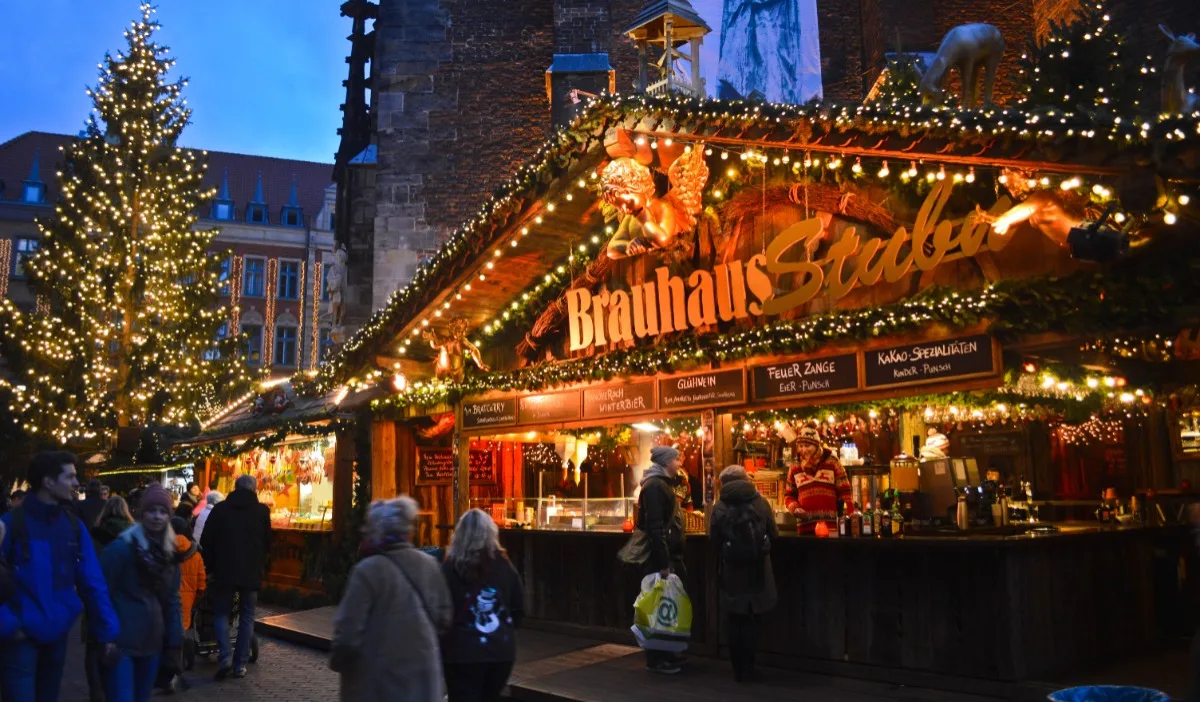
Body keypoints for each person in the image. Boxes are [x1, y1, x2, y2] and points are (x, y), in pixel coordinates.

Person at [0, 451, 120, 702]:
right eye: (69, 476)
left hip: (55, 634)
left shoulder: (73, 527)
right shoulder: (10, 525)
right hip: (20, 637)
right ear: (48, 481)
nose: (76, 483)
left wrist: (108, 632)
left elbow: (92, 582)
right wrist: (10, 624)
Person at [330, 497, 451, 702]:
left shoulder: (367, 572)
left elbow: (348, 632)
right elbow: (444, 618)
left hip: (378, 684)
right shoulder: (430, 565)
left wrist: (339, 662)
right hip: (422, 682)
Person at [99, 484, 182, 702]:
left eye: (162, 511)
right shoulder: (121, 549)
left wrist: (174, 642)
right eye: (151, 510)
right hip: (121, 642)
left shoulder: (168, 554)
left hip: (152, 643)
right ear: (142, 513)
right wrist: (105, 636)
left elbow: (172, 600)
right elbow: (100, 594)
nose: (157, 516)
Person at [441, 509, 524, 702]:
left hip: (460, 654)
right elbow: (518, 608)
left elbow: (440, 610)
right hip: (500, 653)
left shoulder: (449, 568)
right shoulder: (504, 565)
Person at [709, 465, 778, 682]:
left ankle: (738, 669)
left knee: (735, 619)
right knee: (754, 619)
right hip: (759, 569)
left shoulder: (719, 506)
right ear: (746, 479)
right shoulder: (761, 502)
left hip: (733, 571)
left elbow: (714, 541)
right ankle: (750, 667)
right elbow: (773, 533)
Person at [200, 474, 270, 680]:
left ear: (235, 487)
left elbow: (206, 540)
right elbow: (268, 542)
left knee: (221, 613)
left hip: (224, 571)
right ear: (254, 490)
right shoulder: (262, 511)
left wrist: (211, 567)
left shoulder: (220, 510)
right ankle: (240, 665)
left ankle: (225, 658)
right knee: (247, 617)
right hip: (251, 571)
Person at [637, 445, 688, 675]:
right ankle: (657, 659)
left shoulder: (661, 484)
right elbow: (655, 527)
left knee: (668, 607)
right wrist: (663, 563)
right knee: (659, 608)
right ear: (666, 462)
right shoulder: (655, 486)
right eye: (676, 459)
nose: (680, 463)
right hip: (661, 558)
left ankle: (667, 652)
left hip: (669, 555)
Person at [86, 495, 136, 701]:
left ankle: (96, 689)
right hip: (124, 597)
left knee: (93, 644)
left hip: (97, 593)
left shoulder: (95, 534)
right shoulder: (133, 534)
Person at [155, 516, 204, 694]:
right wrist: (197, 598)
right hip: (187, 602)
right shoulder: (195, 554)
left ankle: (166, 674)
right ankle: (175, 674)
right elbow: (201, 583)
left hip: (166, 600)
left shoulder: (162, 549)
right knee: (179, 635)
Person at [784, 426, 852, 534]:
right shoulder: (794, 467)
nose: (804, 450)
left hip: (830, 527)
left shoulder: (832, 462)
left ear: (816, 445)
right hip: (805, 528)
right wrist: (795, 508)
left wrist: (850, 516)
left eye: (807, 445)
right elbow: (789, 495)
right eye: (801, 446)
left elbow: (845, 491)